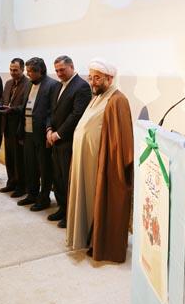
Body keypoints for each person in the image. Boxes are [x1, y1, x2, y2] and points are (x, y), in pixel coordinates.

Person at [66, 59, 133, 263]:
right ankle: (85, 237)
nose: (92, 82)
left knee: (99, 203)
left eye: (97, 78)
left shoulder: (117, 100)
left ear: (109, 79)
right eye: (91, 77)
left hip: (101, 166)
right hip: (85, 162)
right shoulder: (97, 96)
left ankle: (99, 241)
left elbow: (121, 140)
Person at [46, 55, 92, 228]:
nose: (59, 74)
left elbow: (77, 114)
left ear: (72, 67)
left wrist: (58, 134)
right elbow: (51, 111)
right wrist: (49, 129)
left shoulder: (82, 86)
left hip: (68, 141)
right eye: (57, 70)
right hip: (54, 139)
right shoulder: (58, 85)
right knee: (57, 178)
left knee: (67, 179)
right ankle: (61, 208)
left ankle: (70, 214)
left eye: (62, 70)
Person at [17, 57, 58, 211]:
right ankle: (32, 194)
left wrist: (49, 131)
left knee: (44, 168)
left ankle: (44, 198)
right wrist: (21, 131)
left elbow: (52, 111)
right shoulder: (29, 84)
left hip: (42, 133)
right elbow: (24, 108)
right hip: (28, 131)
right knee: (30, 166)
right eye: (27, 71)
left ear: (40, 71)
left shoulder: (52, 85)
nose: (28, 74)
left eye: (30, 72)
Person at [0, 58, 29, 196]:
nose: (12, 72)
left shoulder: (28, 84)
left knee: (19, 159)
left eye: (15, 70)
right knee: (9, 157)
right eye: (11, 70)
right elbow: (3, 100)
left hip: (19, 126)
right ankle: (11, 182)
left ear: (22, 69)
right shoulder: (8, 83)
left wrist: (11, 109)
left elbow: (25, 106)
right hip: (7, 125)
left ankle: (21, 186)